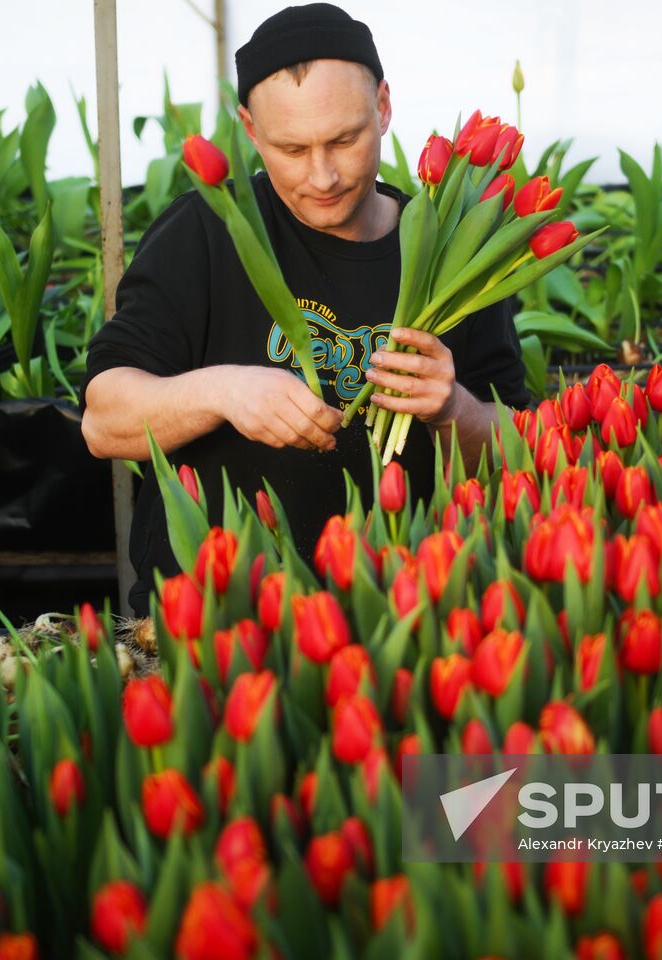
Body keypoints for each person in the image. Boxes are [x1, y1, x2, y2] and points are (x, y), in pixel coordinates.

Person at [82, 2, 529, 615]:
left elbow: (523, 454)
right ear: (249, 129)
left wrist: (452, 409)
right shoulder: (208, 233)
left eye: (344, 139)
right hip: (213, 613)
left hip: (404, 608)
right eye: (291, 149)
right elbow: (103, 421)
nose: (322, 176)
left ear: (384, 107)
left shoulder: (457, 257)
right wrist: (223, 391)